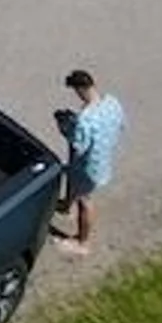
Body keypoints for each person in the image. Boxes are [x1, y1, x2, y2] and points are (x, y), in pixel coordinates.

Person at [52, 68, 125, 252]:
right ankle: (66, 205)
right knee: (72, 177)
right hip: (103, 159)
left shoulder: (86, 119)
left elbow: (78, 146)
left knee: (85, 201)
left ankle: (83, 243)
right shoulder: (112, 103)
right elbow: (121, 126)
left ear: (80, 89)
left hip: (89, 167)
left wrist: (65, 126)